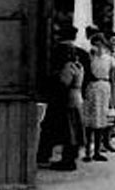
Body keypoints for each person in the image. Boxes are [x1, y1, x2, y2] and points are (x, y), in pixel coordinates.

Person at [36, 39, 86, 171]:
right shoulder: (78, 65)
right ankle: (70, 158)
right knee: (74, 131)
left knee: (67, 131)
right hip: (77, 98)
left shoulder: (67, 67)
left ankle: (65, 160)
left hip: (67, 100)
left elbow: (63, 83)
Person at [81, 34, 115, 162]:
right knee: (89, 121)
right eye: (95, 44)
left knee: (100, 120)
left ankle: (97, 150)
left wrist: (112, 98)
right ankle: (87, 152)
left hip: (104, 87)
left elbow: (112, 78)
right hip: (92, 87)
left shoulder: (109, 59)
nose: (97, 47)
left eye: (99, 44)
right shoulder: (90, 58)